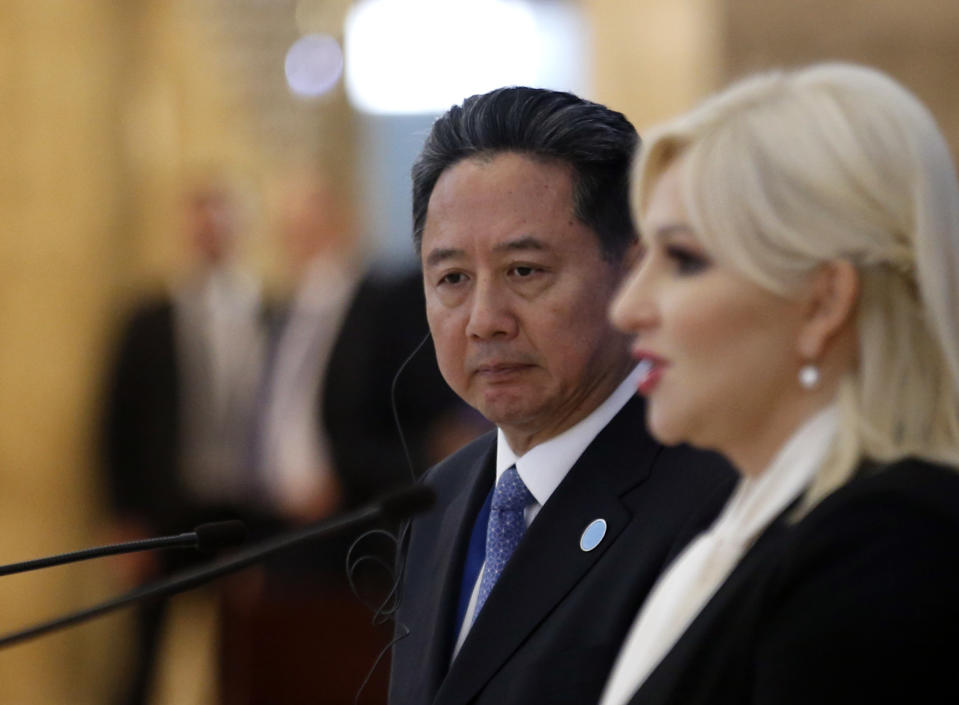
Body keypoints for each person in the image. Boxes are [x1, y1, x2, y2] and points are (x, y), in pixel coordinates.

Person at [601, 62, 959, 705]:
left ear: (823, 304)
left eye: (683, 259)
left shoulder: (883, 552)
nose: (628, 308)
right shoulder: (766, 529)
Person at [388, 86, 736, 705]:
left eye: (525, 271)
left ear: (633, 269)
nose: (484, 319)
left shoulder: (714, 497)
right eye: (452, 280)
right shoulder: (436, 502)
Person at [101, 179, 268, 705]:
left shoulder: (264, 311)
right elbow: (115, 422)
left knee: (239, 657)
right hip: (162, 512)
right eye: (201, 221)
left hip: (240, 510)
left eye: (221, 221)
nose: (210, 233)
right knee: (144, 659)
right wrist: (123, 517)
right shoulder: (147, 318)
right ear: (186, 230)